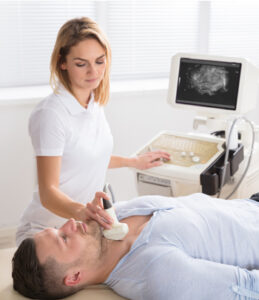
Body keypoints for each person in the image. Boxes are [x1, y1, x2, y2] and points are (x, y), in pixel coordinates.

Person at [16, 17, 170, 246]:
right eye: (81, 64)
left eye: (99, 61)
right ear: (62, 62)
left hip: (82, 225)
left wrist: (133, 161)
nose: (93, 72)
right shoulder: (51, 114)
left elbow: (88, 157)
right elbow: (48, 192)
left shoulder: (93, 103)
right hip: (48, 232)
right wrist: (83, 212)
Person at [12, 192, 259, 300]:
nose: (69, 223)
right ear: (75, 276)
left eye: (58, 228)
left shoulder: (110, 220)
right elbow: (250, 289)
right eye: (63, 239)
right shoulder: (157, 275)